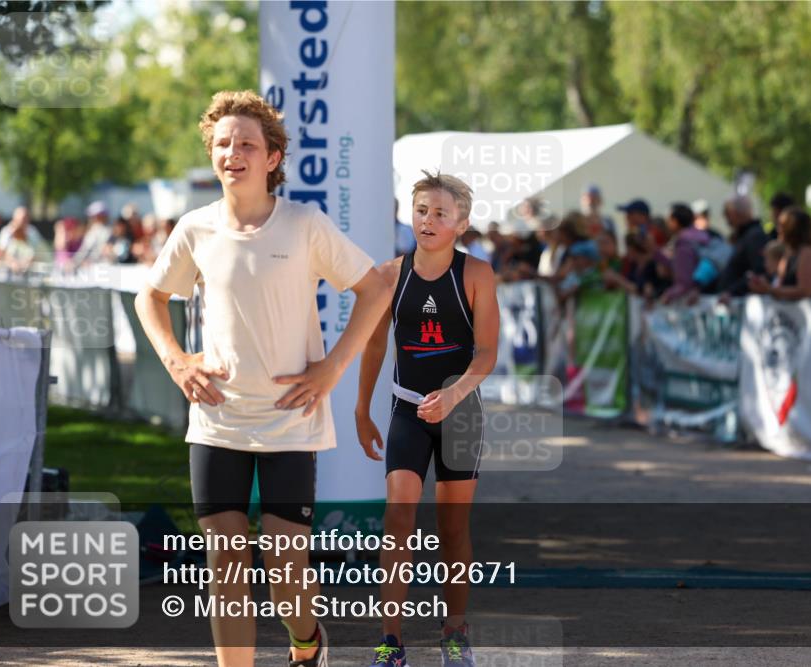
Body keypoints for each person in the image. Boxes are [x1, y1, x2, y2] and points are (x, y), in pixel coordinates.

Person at [135, 89, 390, 667]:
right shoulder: (195, 229)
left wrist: (332, 368)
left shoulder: (305, 224)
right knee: (225, 562)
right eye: (223, 143)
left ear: (272, 157)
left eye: (247, 143)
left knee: (285, 569)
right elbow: (149, 297)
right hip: (217, 419)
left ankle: (308, 643)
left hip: (290, 422)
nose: (233, 153)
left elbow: (374, 289)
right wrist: (177, 359)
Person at [355, 171, 498, 667]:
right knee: (398, 517)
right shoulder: (390, 274)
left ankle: (455, 634)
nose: (428, 220)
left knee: (452, 529)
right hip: (406, 409)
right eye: (421, 210)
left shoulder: (477, 274)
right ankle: (390, 641)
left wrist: (455, 394)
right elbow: (375, 343)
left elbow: (486, 354)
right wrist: (361, 409)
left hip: (460, 413)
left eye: (440, 213)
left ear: (461, 222)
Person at [749, 207, 811, 300]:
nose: (778, 229)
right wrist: (764, 284)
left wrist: (769, 289)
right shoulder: (790, 253)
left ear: (793, 230)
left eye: (783, 225)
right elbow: (780, 283)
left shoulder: (809, 251)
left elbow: (805, 291)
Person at [717, 195, 769, 298]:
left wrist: (733, 292)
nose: (727, 220)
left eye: (728, 214)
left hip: (745, 304)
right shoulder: (745, 236)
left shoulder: (754, 236)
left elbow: (758, 271)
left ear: (736, 213)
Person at [660, 203, 709, 304]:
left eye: (668, 220)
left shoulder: (684, 242)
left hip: (693, 302)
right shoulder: (702, 236)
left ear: (674, 221)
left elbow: (684, 282)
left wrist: (669, 295)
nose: (666, 224)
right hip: (706, 294)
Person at [71, 201, 113, 267]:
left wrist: (74, 262)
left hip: (95, 267)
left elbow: (86, 250)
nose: (91, 218)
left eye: (93, 216)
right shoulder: (107, 230)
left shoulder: (99, 231)